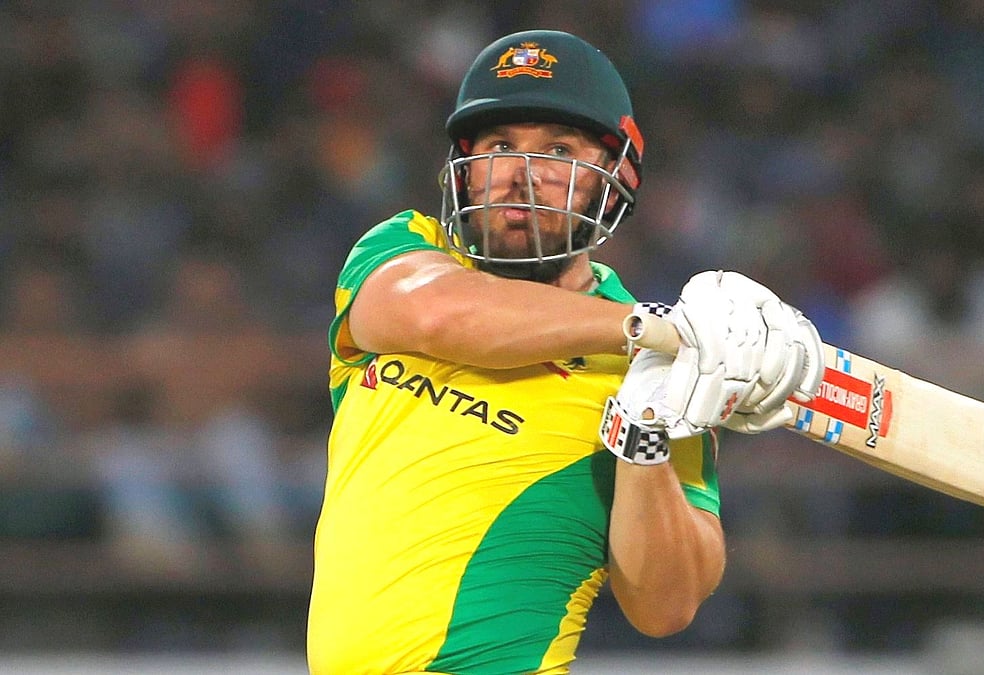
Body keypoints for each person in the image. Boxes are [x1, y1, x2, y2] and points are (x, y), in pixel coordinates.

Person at [306, 29, 823, 674]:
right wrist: (645, 329)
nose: (521, 174)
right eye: (500, 146)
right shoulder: (405, 248)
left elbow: (666, 602)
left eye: (557, 149)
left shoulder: (658, 374)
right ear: (464, 170)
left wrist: (643, 442)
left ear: (612, 179)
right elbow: (439, 315)